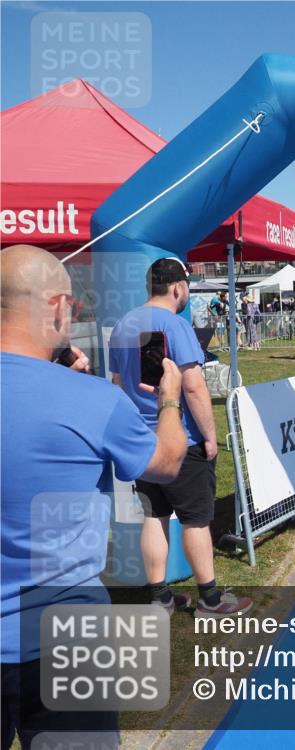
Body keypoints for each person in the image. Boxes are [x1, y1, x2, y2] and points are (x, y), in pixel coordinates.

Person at [1, 246, 187, 749]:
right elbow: (168, 461)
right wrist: (169, 396)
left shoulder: (83, 396)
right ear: (58, 307)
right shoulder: (94, 401)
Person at [109, 258, 252, 617]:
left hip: (141, 440)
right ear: (178, 288)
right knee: (195, 519)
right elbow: (193, 386)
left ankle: (160, 598)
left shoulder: (124, 324)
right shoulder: (175, 324)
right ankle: (211, 599)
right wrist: (209, 435)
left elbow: (118, 384)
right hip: (180, 437)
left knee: (154, 517)